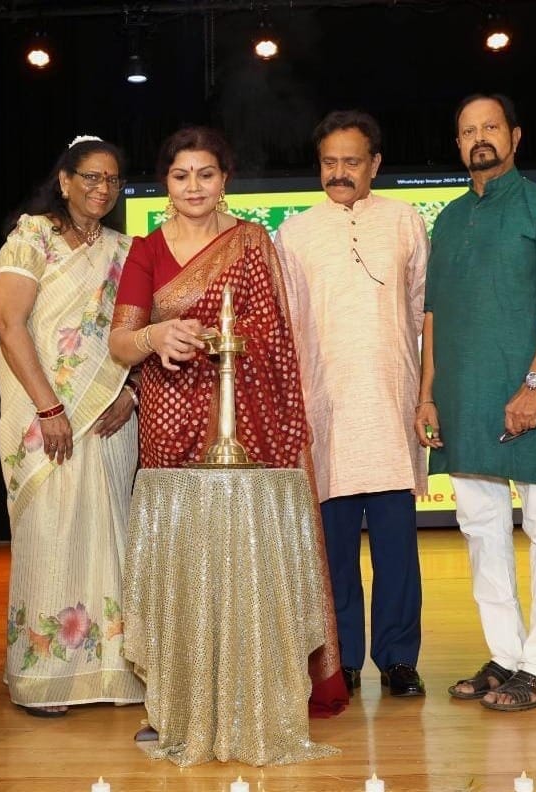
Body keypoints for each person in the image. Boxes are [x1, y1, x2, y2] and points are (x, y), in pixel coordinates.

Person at [108, 126, 346, 750]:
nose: (193, 186)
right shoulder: (147, 250)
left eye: (205, 174)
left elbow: (273, 341)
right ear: (166, 183)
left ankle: (256, 695)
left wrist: (221, 342)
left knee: (245, 560)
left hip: (246, 425)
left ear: (225, 180)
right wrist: (157, 337)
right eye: (181, 175)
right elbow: (121, 342)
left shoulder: (250, 242)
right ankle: (176, 702)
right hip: (169, 426)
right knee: (182, 566)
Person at [416, 94, 536, 712]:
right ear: (458, 144)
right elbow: (433, 314)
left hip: (530, 394)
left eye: (491, 127)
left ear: (515, 136)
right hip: (462, 397)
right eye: (468, 131)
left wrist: (535, 384)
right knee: (481, 531)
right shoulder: (449, 220)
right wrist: (427, 394)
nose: (479, 138)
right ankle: (507, 656)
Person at [274, 110, 429, 699]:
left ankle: (398, 659)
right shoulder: (295, 233)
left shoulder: (405, 221)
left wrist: (425, 394)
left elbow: (424, 315)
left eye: (352, 162)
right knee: (333, 555)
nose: (339, 173)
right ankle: (341, 662)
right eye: (329, 163)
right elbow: (287, 328)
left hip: (391, 407)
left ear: (375, 164)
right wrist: (295, 413)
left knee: (397, 553)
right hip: (326, 414)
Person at [0, 135, 144, 717]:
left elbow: (139, 335)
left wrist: (130, 392)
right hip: (44, 416)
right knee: (50, 536)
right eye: (90, 177)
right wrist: (50, 408)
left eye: (112, 179)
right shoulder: (33, 236)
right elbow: (8, 323)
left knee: (110, 536)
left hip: (108, 417)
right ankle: (45, 678)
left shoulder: (126, 250)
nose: (102, 189)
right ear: (65, 180)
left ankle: (115, 671)